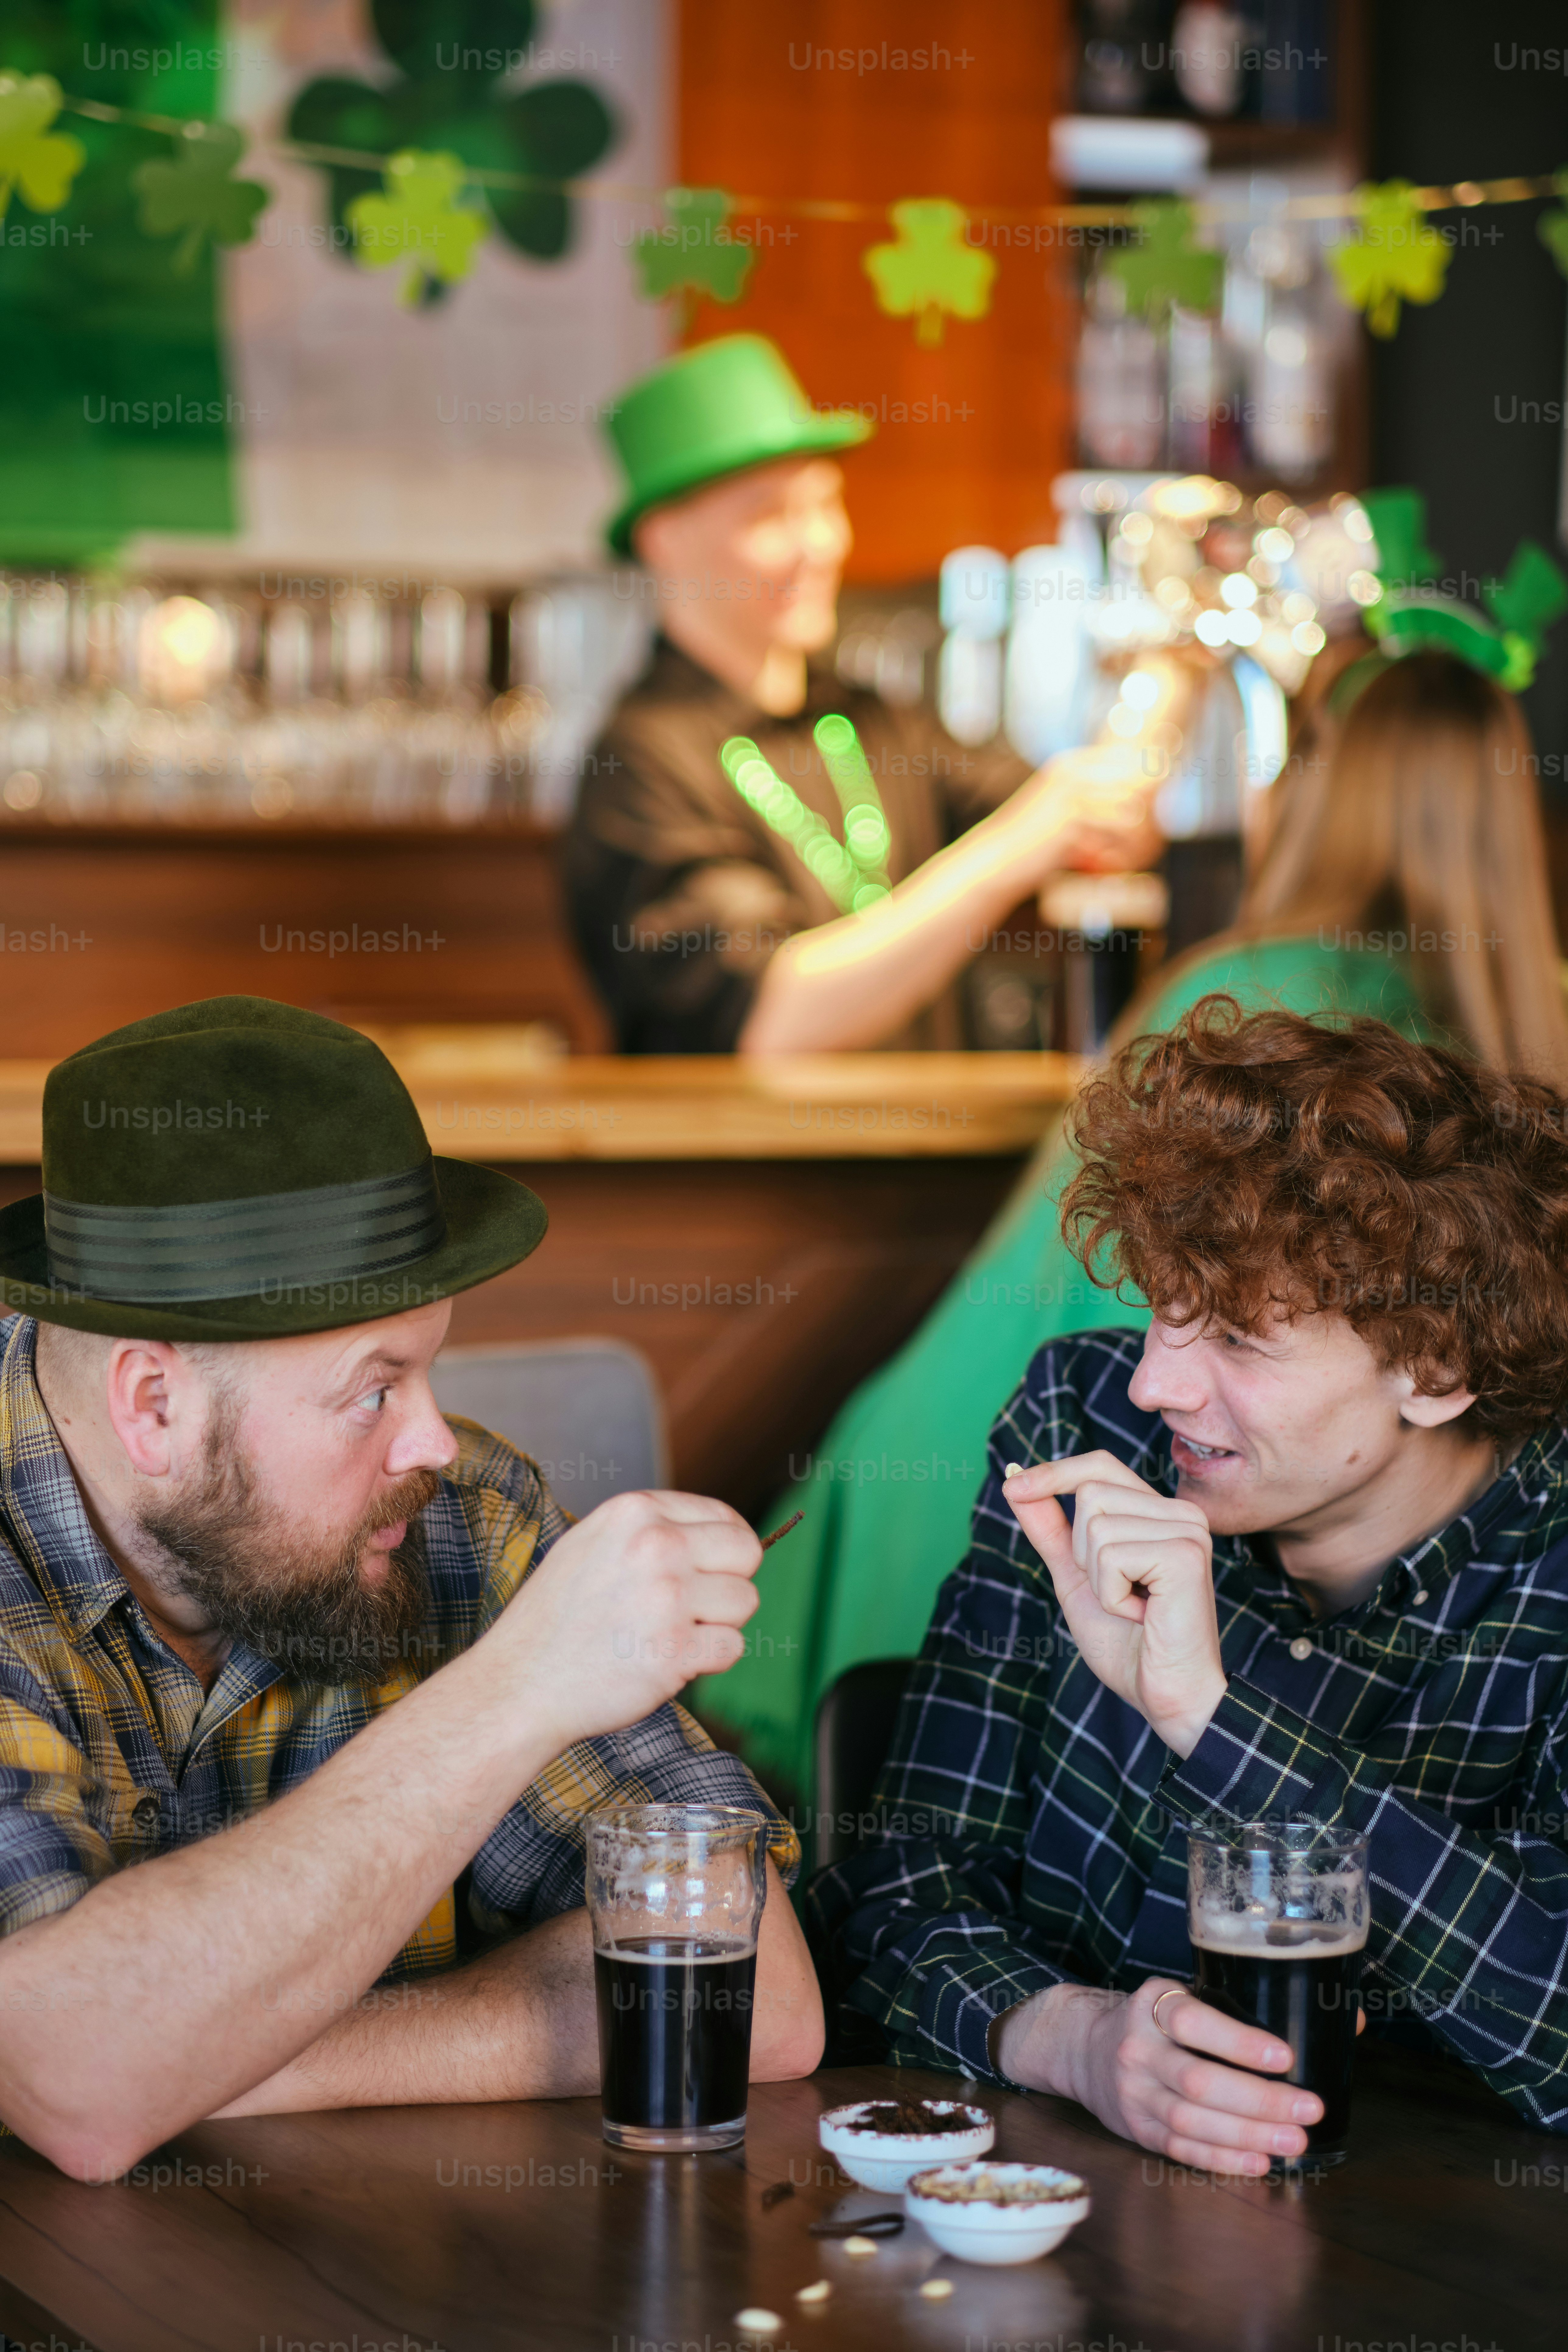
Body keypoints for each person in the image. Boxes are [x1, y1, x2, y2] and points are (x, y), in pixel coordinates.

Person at [694, 631, 1568, 1802]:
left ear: (1307, 789)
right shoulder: (1535, 1030)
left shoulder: (1239, 992)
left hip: (968, 1471)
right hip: (1029, 1497)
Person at [0, 996, 822, 2182]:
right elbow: (76, 2081)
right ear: (153, 1406)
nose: (436, 1443)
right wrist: (512, 1693)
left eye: (432, 1366)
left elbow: (756, 2004)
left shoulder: (459, 1517)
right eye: (372, 1389)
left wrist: (208, 2058)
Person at [807, 997, 1568, 2158]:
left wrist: (1210, 1718)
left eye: (1238, 1339)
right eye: (1162, 1310)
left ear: (1438, 1364)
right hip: (1049, 2213)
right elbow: (897, 1885)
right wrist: (1075, 2039)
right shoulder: (1085, 1419)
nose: (1158, 1383)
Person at [566, 331, 1156, 1052]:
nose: (820, 544)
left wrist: (1175, 656)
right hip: (745, 1166)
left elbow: (1100, 829)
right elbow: (770, 1021)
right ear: (665, 538)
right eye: (770, 515)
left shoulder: (873, 722)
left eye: (825, 505)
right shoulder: (640, 762)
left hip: (918, 1159)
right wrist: (1019, 843)